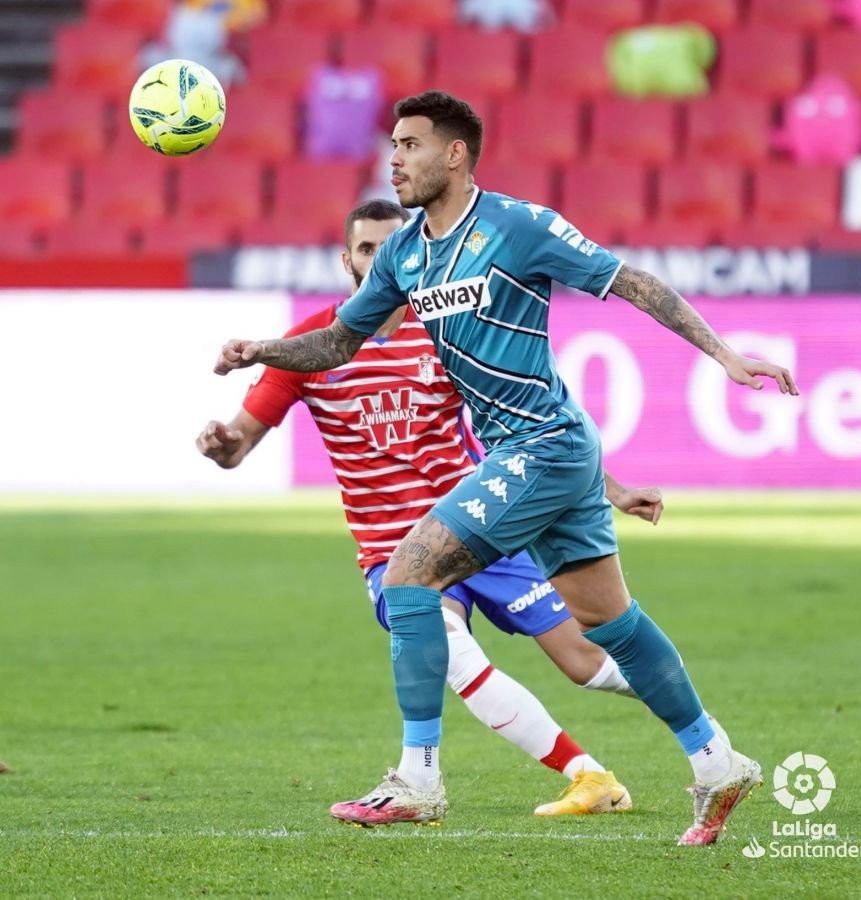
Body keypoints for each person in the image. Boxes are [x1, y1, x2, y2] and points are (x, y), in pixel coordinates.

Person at [213, 91, 800, 846]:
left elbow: (631, 282)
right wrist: (265, 349)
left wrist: (724, 355)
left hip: (543, 446)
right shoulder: (403, 254)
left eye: (410, 145)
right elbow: (336, 345)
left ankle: (418, 780)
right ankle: (718, 760)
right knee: (607, 625)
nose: (394, 158)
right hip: (543, 452)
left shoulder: (517, 227)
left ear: (454, 154)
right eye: (392, 145)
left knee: (409, 573)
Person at [199, 198, 674, 821]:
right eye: (365, 249)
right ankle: (579, 775)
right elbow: (239, 441)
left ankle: (697, 725)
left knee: (585, 663)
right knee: (455, 655)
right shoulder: (308, 348)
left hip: (480, 527)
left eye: (388, 248)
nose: (377, 260)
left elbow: (525, 426)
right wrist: (222, 445)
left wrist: (609, 489)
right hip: (395, 552)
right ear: (347, 258)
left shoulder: (445, 333)